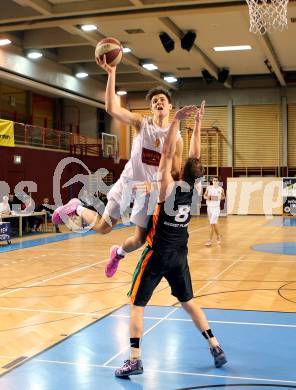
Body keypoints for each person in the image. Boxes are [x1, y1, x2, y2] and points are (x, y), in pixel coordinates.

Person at [114, 101, 227, 378]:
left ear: (181, 170)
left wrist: (176, 121)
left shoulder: (166, 188)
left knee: (137, 305)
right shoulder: (193, 188)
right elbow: (194, 157)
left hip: (157, 254)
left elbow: (166, 152)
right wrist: (198, 124)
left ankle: (135, 359)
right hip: (179, 256)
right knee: (189, 302)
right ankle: (215, 346)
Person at [52, 57, 183, 272]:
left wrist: (157, 186)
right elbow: (112, 108)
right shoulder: (142, 123)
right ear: (151, 108)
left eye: (162, 99)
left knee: (140, 240)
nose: (159, 102)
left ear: (170, 106)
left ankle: (118, 253)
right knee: (104, 228)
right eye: (154, 101)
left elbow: (176, 172)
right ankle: (76, 207)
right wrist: (112, 73)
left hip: (150, 192)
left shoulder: (176, 136)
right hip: (129, 183)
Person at [203, 177, 225, 246]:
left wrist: (219, 198)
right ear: (212, 181)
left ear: (218, 182)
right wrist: (208, 198)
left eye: (216, 180)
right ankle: (219, 236)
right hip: (209, 208)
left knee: (212, 224)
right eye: (214, 180)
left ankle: (209, 240)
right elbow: (204, 196)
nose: (215, 181)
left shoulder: (220, 189)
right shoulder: (208, 188)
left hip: (216, 208)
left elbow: (224, 197)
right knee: (213, 223)